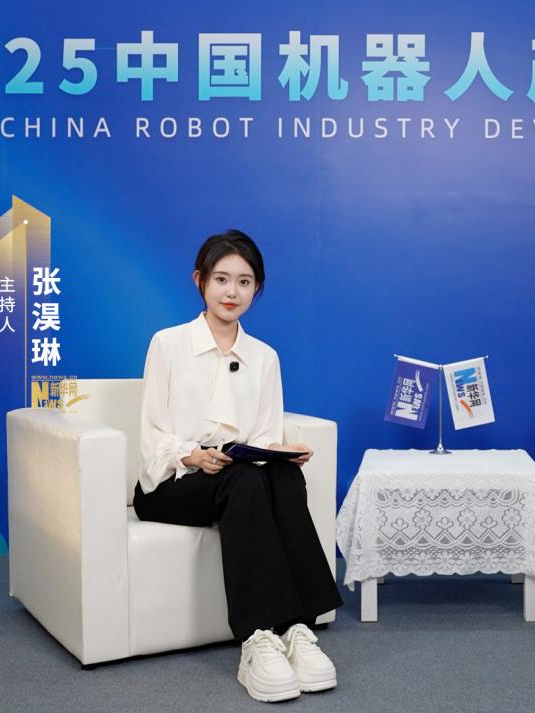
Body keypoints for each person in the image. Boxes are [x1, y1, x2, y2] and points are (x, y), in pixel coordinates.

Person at [133, 229, 344, 703]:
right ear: (200, 281)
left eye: (245, 282)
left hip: (233, 474)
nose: (232, 292)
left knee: (281, 473)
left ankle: (297, 629)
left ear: (257, 288)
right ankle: (256, 637)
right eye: (222, 279)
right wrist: (193, 455)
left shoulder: (264, 357)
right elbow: (151, 433)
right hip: (171, 485)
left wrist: (281, 450)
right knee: (244, 479)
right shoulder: (168, 344)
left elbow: (263, 434)